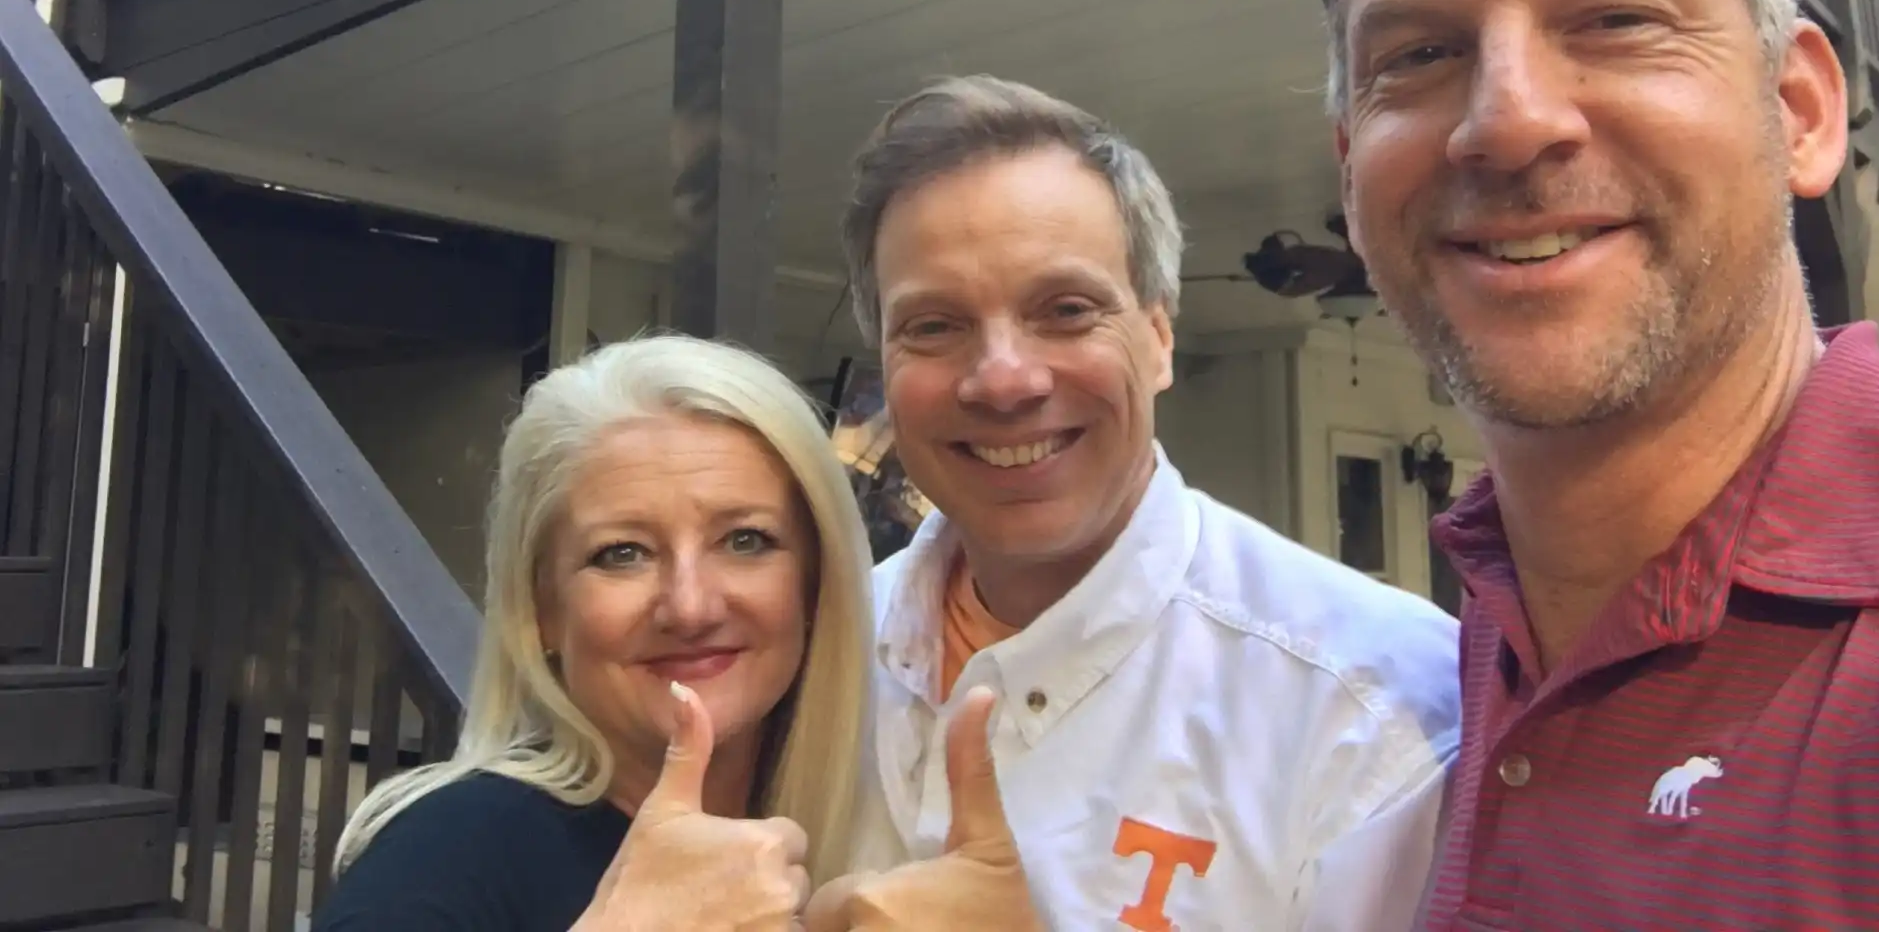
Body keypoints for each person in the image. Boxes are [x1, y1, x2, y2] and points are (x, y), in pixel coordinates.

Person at [1321, 0, 1879, 929]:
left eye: (1617, 21)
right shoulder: (1482, 644)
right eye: (1422, 51)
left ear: (1800, 111)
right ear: (1348, 167)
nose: (1507, 119)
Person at [823, 75, 1463, 931]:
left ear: (1159, 338)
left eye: (1066, 310)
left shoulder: (1378, 712)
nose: (1004, 379)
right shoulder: (815, 652)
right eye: (933, 326)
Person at [312, 333, 874, 930]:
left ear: (815, 584)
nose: (690, 607)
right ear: (541, 610)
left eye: (745, 540)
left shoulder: (858, 839)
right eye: (622, 553)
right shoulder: (454, 849)